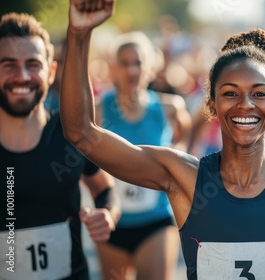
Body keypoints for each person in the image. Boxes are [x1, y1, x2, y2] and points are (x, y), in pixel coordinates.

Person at [61, 0, 265, 279]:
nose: (246, 104)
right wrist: (79, 34)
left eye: (260, 93)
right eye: (230, 93)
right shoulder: (184, 177)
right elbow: (81, 132)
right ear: (212, 105)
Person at [0, 13, 120, 280]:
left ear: (51, 71)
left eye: (33, 64)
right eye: (8, 65)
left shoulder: (71, 134)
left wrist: (107, 214)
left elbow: (104, 188)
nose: (22, 76)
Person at [96, 31, 191, 280]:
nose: (131, 70)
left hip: (156, 221)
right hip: (112, 222)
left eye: (137, 62)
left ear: (150, 67)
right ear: (114, 69)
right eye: (124, 63)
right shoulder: (98, 111)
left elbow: (183, 138)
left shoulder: (170, 108)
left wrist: (174, 160)